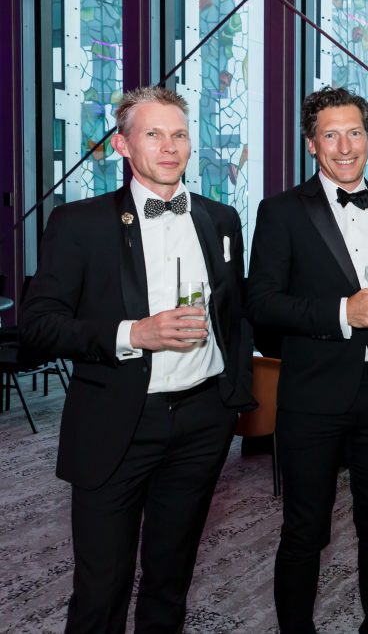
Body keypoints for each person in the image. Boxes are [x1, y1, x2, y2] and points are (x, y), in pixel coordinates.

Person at [19, 85, 254, 633]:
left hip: (202, 420)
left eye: (179, 135)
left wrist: (232, 396)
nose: (169, 147)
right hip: (116, 421)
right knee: (102, 588)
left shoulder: (221, 219)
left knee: (170, 579)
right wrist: (134, 333)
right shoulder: (79, 223)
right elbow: (38, 325)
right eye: (153, 134)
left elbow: (234, 313)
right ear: (123, 145)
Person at [246, 86, 368, 634]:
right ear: (311, 143)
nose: (344, 147)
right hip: (313, 394)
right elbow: (262, 302)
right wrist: (342, 312)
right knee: (305, 531)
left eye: (354, 133)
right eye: (331, 135)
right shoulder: (280, 211)